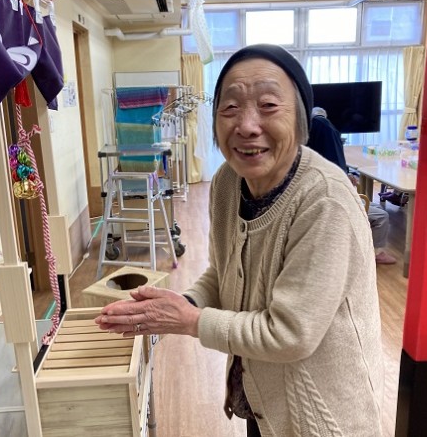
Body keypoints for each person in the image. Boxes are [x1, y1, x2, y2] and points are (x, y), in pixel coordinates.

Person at [95, 44, 385, 436]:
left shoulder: (325, 201)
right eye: (230, 107)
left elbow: (290, 334)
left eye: (268, 105)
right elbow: (223, 272)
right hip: (262, 400)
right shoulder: (228, 183)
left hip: (321, 418)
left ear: (301, 121)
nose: (247, 125)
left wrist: (190, 321)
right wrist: (181, 304)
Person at [307, 106, 397, 265]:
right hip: (335, 199)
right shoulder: (325, 128)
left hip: (320, 196)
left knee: (373, 205)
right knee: (382, 216)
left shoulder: (308, 142)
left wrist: (345, 176)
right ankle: (376, 253)